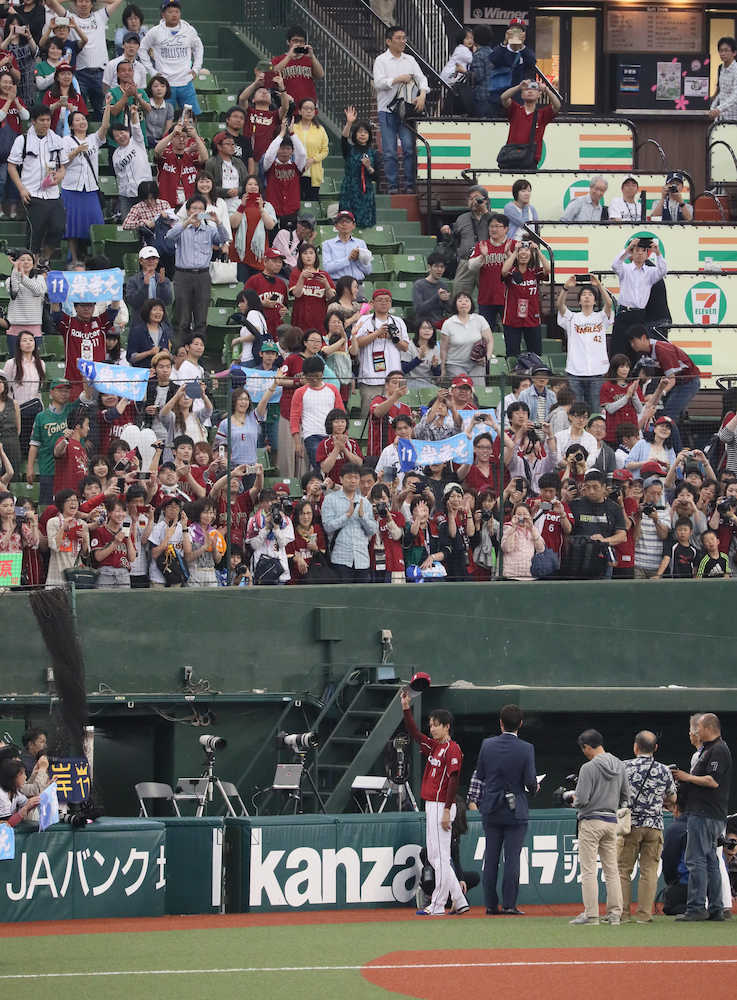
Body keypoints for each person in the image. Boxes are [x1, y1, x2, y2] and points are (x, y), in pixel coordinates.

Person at [400, 688, 469, 916]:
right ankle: (459, 901)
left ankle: (438, 905)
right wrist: (406, 709)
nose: (432, 728)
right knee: (434, 856)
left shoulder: (452, 749)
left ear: (447, 726)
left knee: (440, 857)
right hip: (431, 804)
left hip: (442, 806)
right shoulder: (435, 746)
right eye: (430, 724)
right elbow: (414, 734)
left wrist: (448, 810)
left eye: (436, 724)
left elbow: (453, 780)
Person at [473, 704, 537, 914]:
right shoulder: (526, 748)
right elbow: (530, 782)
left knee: (490, 858)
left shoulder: (487, 745)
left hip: (491, 807)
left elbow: (480, 774)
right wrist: (535, 787)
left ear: (500, 722)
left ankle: (491, 905)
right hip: (515, 809)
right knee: (512, 859)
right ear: (520, 724)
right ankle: (509, 905)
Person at [672, 713, 733, 920]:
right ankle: (716, 908)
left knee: (696, 859)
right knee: (710, 860)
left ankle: (697, 907)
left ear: (708, 728)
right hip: (709, 813)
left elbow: (712, 781)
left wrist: (685, 777)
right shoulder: (709, 749)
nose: (696, 732)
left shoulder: (718, 749)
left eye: (698, 728)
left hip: (706, 813)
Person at [568, 728, 630, 926]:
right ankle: (615, 914)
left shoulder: (588, 768)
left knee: (588, 870)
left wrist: (570, 798)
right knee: (611, 869)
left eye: (583, 748)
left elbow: (582, 800)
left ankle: (591, 914)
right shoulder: (620, 765)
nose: (584, 752)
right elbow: (625, 797)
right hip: (611, 821)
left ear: (587, 746)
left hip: (591, 821)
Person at [619, 730, 677, 922]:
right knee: (649, 871)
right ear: (656, 748)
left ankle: (623, 913)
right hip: (654, 825)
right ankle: (644, 915)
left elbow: (615, 794)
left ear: (636, 747)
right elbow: (672, 797)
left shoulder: (624, 767)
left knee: (623, 870)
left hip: (630, 826)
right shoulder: (663, 770)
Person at [165, 193, 230, 344]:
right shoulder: (181, 228)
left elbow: (223, 239)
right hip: (183, 275)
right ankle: (181, 350)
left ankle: (198, 352)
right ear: (188, 211)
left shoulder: (209, 230)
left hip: (203, 275)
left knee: (201, 317)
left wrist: (218, 222)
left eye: (201, 209)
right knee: (183, 316)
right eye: (194, 208)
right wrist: (186, 222)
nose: (197, 211)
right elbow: (169, 236)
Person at [7, 103, 67, 262]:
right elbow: (12, 166)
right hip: (32, 192)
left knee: (59, 227)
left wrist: (60, 176)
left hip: (53, 194)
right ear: (33, 121)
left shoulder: (57, 140)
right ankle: (31, 264)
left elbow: (63, 167)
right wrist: (21, 189)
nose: (46, 123)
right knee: (36, 231)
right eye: (42, 120)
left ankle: (44, 260)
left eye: (48, 119)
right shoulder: (23, 140)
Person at [372, 25, 428, 195]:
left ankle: (410, 186)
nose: (403, 41)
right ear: (388, 41)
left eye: (404, 37)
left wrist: (423, 94)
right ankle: (393, 187)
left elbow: (422, 78)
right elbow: (379, 83)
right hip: (387, 110)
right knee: (389, 151)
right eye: (398, 38)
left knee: (409, 148)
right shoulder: (381, 60)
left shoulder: (409, 60)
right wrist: (397, 79)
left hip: (406, 111)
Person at [61, 101, 110, 265]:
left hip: (90, 189)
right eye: (77, 120)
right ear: (71, 125)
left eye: (83, 119)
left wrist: (108, 106)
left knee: (96, 223)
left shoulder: (93, 139)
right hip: (72, 188)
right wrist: (75, 151)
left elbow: (104, 127)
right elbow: (62, 162)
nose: (82, 122)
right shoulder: (66, 141)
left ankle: (97, 260)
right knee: (72, 226)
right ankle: (74, 260)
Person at [138, 0, 204, 119]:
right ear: (163, 14)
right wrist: (153, 72)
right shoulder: (155, 31)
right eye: (170, 12)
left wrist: (196, 69)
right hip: (165, 84)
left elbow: (199, 48)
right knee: (166, 119)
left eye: (177, 11)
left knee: (192, 117)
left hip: (186, 81)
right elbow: (142, 49)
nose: (174, 15)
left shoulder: (189, 30)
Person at [557, 276, 612, 414]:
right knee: (578, 410)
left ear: (594, 300)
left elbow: (609, 304)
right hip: (575, 371)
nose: (587, 297)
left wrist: (599, 286)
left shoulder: (601, 317)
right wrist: (565, 288)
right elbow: (560, 306)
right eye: (583, 295)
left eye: (590, 295)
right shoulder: (572, 317)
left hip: (597, 372)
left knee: (595, 410)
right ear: (579, 300)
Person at [353, 290, 410, 417]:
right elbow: (356, 343)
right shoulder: (365, 320)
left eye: (387, 300)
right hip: (370, 378)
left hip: (393, 379)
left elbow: (405, 347)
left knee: (393, 417)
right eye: (380, 300)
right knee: (369, 415)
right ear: (372, 303)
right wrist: (377, 333)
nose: (384, 303)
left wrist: (393, 337)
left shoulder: (398, 321)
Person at [609, 240, 667, 359]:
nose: (640, 253)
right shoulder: (625, 269)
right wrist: (627, 250)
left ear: (647, 254)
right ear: (632, 253)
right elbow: (615, 265)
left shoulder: (651, 272)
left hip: (639, 315)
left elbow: (663, 271)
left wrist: (658, 253)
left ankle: (636, 376)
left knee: (638, 351)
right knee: (619, 349)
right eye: (637, 250)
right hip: (624, 313)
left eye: (643, 251)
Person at [628, 327, 700, 423]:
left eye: (634, 341)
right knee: (670, 412)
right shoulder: (647, 352)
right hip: (677, 383)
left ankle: (670, 437)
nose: (632, 345)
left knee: (669, 414)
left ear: (643, 338)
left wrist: (656, 395)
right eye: (630, 343)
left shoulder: (661, 350)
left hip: (687, 382)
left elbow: (671, 380)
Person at [320, 464, 377, 582]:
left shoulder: (364, 502)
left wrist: (363, 517)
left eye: (356, 478)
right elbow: (327, 527)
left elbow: (372, 530)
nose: (353, 481)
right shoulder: (330, 499)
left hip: (362, 559)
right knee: (343, 597)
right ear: (341, 479)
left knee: (362, 597)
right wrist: (347, 515)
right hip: (340, 558)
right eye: (349, 477)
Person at [290, 355, 344, 474]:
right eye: (310, 376)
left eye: (317, 376)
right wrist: (297, 443)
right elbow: (294, 418)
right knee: (320, 469)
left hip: (332, 435)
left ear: (322, 373)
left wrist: (344, 435)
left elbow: (341, 413)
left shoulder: (332, 389)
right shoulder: (300, 392)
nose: (314, 379)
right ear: (305, 375)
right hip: (311, 435)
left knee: (335, 468)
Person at [500, 238, 550, 357]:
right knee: (512, 354)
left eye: (527, 251)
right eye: (520, 252)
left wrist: (537, 250)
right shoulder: (512, 272)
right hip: (512, 320)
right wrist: (515, 251)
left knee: (535, 354)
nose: (523, 254)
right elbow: (503, 271)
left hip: (532, 319)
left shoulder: (534, 273)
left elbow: (548, 270)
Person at [439, 186, 491, 295]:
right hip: (465, 262)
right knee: (459, 294)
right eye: (470, 199)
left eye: (476, 198)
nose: (473, 201)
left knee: (489, 296)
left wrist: (485, 211)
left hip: (486, 262)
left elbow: (499, 234)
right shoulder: (462, 218)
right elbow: (454, 241)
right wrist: (447, 233)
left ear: (485, 200)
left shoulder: (493, 217)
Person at [499, 78, 560, 166]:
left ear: (539, 94)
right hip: (511, 156)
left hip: (531, 159)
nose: (530, 91)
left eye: (534, 89)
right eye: (526, 89)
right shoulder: (515, 109)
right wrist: (519, 86)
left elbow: (557, 106)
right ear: (521, 95)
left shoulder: (542, 114)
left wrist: (546, 90)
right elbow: (504, 97)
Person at [468, 213, 512, 332]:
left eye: (498, 226)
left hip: (508, 298)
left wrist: (509, 254)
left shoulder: (514, 245)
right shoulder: (481, 245)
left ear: (506, 229)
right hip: (486, 297)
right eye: (491, 226)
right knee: (485, 333)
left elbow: (520, 269)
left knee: (511, 332)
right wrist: (482, 256)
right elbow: (471, 267)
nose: (494, 229)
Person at [214, 385, 274, 467]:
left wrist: (274, 384)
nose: (243, 402)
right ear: (234, 401)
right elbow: (219, 447)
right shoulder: (225, 423)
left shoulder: (254, 417)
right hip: (233, 468)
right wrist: (224, 461)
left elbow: (264, 401)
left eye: (246, 399)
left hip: (252, 467)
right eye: (240, 399)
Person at [439, 292, 493, 381]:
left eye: (467, 300)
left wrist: (487, 357)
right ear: (455, 305)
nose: (463, 303)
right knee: (464, 385)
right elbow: (443, 349)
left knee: (478, 390)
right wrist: (443, 368)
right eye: (460, 301)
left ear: (471, 304)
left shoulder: (479, 319)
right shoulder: (448, 323)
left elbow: (490, 340)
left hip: (477, 364)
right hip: (455, 364)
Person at [261, 120, 306, 227]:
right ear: (277, 150)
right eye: (281, 148)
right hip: (272, 209)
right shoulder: (270, 165)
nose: (285, 151)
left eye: (288, 149)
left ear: (292, 151)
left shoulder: (297, 166)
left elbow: (303, 154)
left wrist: (292, 133)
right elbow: (269, 155)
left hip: (292, 210)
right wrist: (281, 134)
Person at [111, 105, 153, 218]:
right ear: (114, 139)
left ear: (127, 132)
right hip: (126, 195)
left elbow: (136, 127)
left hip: (144, 191)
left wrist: (134, 114)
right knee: (128, 224)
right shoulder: (116, 154)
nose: (121, 136)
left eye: (122, 132)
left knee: (147, 224)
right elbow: (119, 176)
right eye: (117, 135)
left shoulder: (137, 142)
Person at [155, 120, 208, 210]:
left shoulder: (192, 156)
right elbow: (157, 151)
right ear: (171, 139)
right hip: (167, 205)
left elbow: (205, 158)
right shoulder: (166, 154)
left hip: (189, 206)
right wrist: (172, 134)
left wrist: (196, 137)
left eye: (185, 137)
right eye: (177, 136)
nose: (182, 139)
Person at [339, 106, 377, 228]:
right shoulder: (350, 150)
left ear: (369, 135)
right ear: (355, 134)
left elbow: (377, 177)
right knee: (347, 220)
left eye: (365, 132)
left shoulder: (374, 153)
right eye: (360, 132)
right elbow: (344, 139)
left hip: (365, 192)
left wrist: (369, 167)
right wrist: (349, 123)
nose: (362, 134)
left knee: (364, 222)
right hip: (349, 189)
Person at [46, 487, 90, 587]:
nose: (73, 503)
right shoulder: (53, 522)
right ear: (61, 504)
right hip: (57, 573)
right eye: (68, 500)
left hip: (76, 573)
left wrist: (85, 540)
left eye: (75, 500)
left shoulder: (82, 524)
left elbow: (85, 554)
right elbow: (53, 546)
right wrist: (63, 529)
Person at [270, 25, 324, 107]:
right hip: (287, 107)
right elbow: (273, 72)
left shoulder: (309, 59)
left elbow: (320, 75)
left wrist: (312, 57)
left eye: (301, 41)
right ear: (288, 42)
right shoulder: (278, 59)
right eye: (295, 41)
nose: (298, 44)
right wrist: (289, 56)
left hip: (307, 107)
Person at [5, 250, 45, 355]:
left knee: (34, 361)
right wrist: (16, 270)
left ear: (33, 263)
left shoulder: (40, 279)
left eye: (29, 260)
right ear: (16, 261)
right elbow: (14, 290)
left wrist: (22, 276)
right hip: (14, 327)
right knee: (15, 361)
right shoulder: (9, 279)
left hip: (34, 327)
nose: (26, 262)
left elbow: (38, 291)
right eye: (22, 260)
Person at [288, 243, 335, 333]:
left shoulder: (324, 274)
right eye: (305, 253)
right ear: (300, 256)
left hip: (320, 320)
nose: (308, 256)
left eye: (311, 253)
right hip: (300, 320)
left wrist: (326, 284)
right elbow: (297, 294)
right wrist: (302, 278)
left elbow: (331, 297)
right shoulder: (296, 273)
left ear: (316, 256)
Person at [125, 245, 172, 329]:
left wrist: (162, 285)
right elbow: (133, 302)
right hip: (140, 323)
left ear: (157, 261)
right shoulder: (133, 281)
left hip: (160, 323)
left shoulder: (164, 280)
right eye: (148, 259)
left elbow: (168, 300)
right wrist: (145, 286)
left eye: (154, 258)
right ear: (141, 261)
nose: (151, 261)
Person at [600, 355, 644, 446]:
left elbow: (639, 409)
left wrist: (634, 394)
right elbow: (610, 409)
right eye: (622, 366)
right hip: (613, 433)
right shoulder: (607, 386)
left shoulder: (633, 385)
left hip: (632, 433)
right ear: (614, 368)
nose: (625, 370)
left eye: (627, 367)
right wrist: (627, 396)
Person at [322, 209, 373, 284]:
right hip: (337, 283)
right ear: (336, 226)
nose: (344, 224)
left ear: (353, 226)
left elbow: (368, 271)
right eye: (341, 222)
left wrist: (358, 260)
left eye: (348, 222)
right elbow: (327, 268)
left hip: (357, 284)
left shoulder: (361, 243)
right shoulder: (327, 244)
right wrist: (348, 259)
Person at [292, 98, 328, 202]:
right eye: (306, 108)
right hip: (296, 171)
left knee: (311, 203)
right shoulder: (293, 128)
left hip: (313, 172)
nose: (308, 111)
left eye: (311, 109)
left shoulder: (320, 130)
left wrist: (313, 159)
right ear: (299, 111)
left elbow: (325, 150)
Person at [205, 130, 249, 213]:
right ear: (219, 147)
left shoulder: (239, 162)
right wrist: (226, 192)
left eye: (233, 144)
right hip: (217, 204)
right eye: (228, 144)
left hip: (238, 203)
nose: (232, 147)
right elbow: (207, 186)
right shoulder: (211, 163)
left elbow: (247, 183)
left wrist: (238, 190)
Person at [315, 407, 362, 481]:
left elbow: (359, 464)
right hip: (331, 485)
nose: (340, 425)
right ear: (330, 424)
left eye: (343, 422)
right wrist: (336, 448)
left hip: (352, 483)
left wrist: (344, 449)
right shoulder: (324, 444)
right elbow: (325, 469)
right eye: (336, 422)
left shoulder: (353, 443)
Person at [500, 502, 544, 580]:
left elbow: (541, 549)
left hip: (529, 575)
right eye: (519, 514)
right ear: (513, 516)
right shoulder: (508, 527)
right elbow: (507, 548)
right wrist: (514, 528)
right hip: (511, 574)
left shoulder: (533, 529)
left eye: (525, 514)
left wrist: (532, 528)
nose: (522, 517)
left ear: (530, 516)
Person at [41, 61, 87, 131]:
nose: (66, 77)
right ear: (57, 78)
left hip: (72, 132)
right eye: (62, 74)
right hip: (52, 131)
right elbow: (42, 114)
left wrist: (73, 110)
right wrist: (55, 106)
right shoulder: (49, 94)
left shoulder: (77, 97)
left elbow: (83, 116)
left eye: (69, 74)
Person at [412, 253, 452, 328]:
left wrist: (445, 301)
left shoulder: (443, 286)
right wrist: (437, 297)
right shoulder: (419, 285)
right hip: (424, 325)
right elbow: (419, 310)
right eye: (436, 266)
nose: (439, 270)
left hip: (440, 324)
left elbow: (450, 310)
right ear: (429, 267)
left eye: (442, 267)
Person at [401, 320, 441, 388]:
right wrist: (418, 359)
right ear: (418, 330)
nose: (427, 330)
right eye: (424, 328)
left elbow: (437, 375)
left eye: (430, 328)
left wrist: (435, 366)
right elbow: (404, 370)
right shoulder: (409, 346)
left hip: (428, 382)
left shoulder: (435, 347)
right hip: (410, 381)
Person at [709, 36, 737, 122]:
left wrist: (718, 109)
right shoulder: (721, 69)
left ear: (734, 53)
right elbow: (722, 92)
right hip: (721, 118)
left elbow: (735, 95)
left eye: (726, 50)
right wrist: (713, 108)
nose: (723, 53)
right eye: (721, 51)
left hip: (734, 119)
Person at [144, 73, 174, 146]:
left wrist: (162, 141)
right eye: (155, 86)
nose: (159, 89)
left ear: (167, 89)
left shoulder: (169, 107)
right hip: (145, 140)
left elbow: (168, 128)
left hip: (161, 141)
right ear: (150, 89)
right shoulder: (145, 104)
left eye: (162, 86)